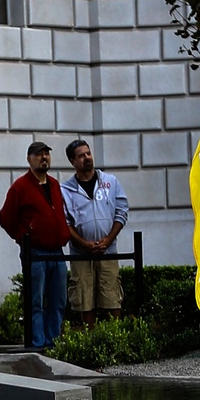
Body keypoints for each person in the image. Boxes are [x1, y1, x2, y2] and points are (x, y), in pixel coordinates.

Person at [0, 141, 71, 351]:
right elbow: (6, 219)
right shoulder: (20, 187)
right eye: (38, 154)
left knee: (58, 300)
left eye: (46, 154)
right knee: (36, 301)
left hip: (57, 251)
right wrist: (23, 236)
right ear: (29, 159)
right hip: (35, 252)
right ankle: (38, 344)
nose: (44, 158)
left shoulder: (55, 185)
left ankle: (53, 342)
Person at [60, 138, 129, 326]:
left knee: (111, 295)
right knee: (84, 298)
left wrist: (108, 239)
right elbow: (65, 223)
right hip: (80, 254)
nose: (87, 158)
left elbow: (121, 212)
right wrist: (84, 244)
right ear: (73, 162)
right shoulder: (65, 190)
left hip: (108, 251)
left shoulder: (110, 182)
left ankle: (114, 337)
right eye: (81, 156)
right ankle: (90, 339)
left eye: (88, 153)